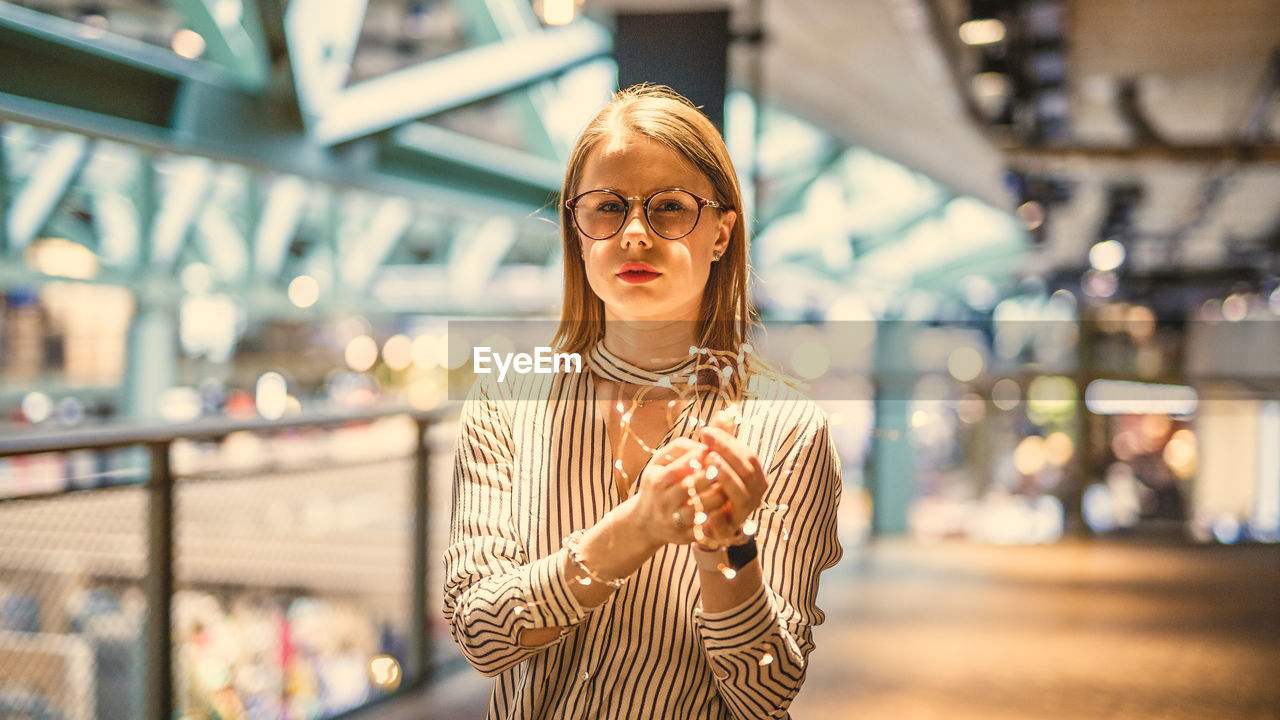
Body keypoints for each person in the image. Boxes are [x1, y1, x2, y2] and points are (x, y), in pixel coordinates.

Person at [443, 84, 842, 719]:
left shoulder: (788, 428)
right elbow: (480, 635)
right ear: (577, 231)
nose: (634, 234)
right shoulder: (506, 400)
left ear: (720, 233)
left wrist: (725, 548)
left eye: (670, 208)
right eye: (606, 207)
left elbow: (766, 688)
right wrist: (638, 528)